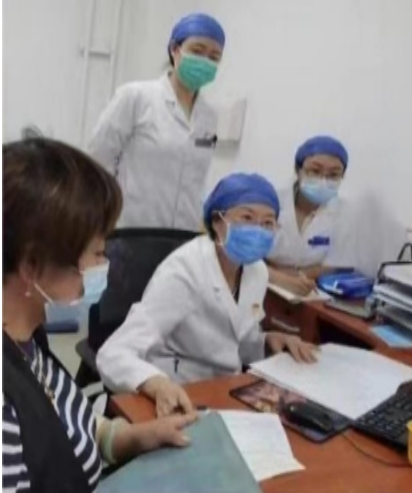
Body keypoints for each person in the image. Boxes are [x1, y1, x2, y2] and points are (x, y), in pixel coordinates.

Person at [2, 138, 196, 493]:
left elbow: (68, 427)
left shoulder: (28, 335)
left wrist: (135, 438)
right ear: (31, 265)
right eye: (96, 254)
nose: (103, 266)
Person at [97, 173, 317, 418]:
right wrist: (156, 383)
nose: (258, 230)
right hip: (178, 390)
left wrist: (267, 341)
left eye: (268, 223)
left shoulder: (257, 271)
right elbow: (113, 354)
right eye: (247, 218)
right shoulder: (184, 270)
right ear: (216, 221)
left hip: (225, 390)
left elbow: (234, 339)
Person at [88, 12, 225, 230]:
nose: (205, 61)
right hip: (130, 230)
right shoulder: (136, 97)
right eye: (197, 51)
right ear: (175, 50)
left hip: (183, 236)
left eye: (214, 57)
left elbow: (198, 180)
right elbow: (96, 163)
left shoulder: (209, 117)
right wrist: (102, 220)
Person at [267, 135, 406, 295]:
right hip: (262, 283)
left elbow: (333, 265)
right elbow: (250, 258)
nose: (323, 180)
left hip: (308, 288)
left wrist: (298, 277)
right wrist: (280, 278)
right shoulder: (270, 202)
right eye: (315, 171)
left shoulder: (346, 214)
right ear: (298, 170)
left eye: (333, 175)